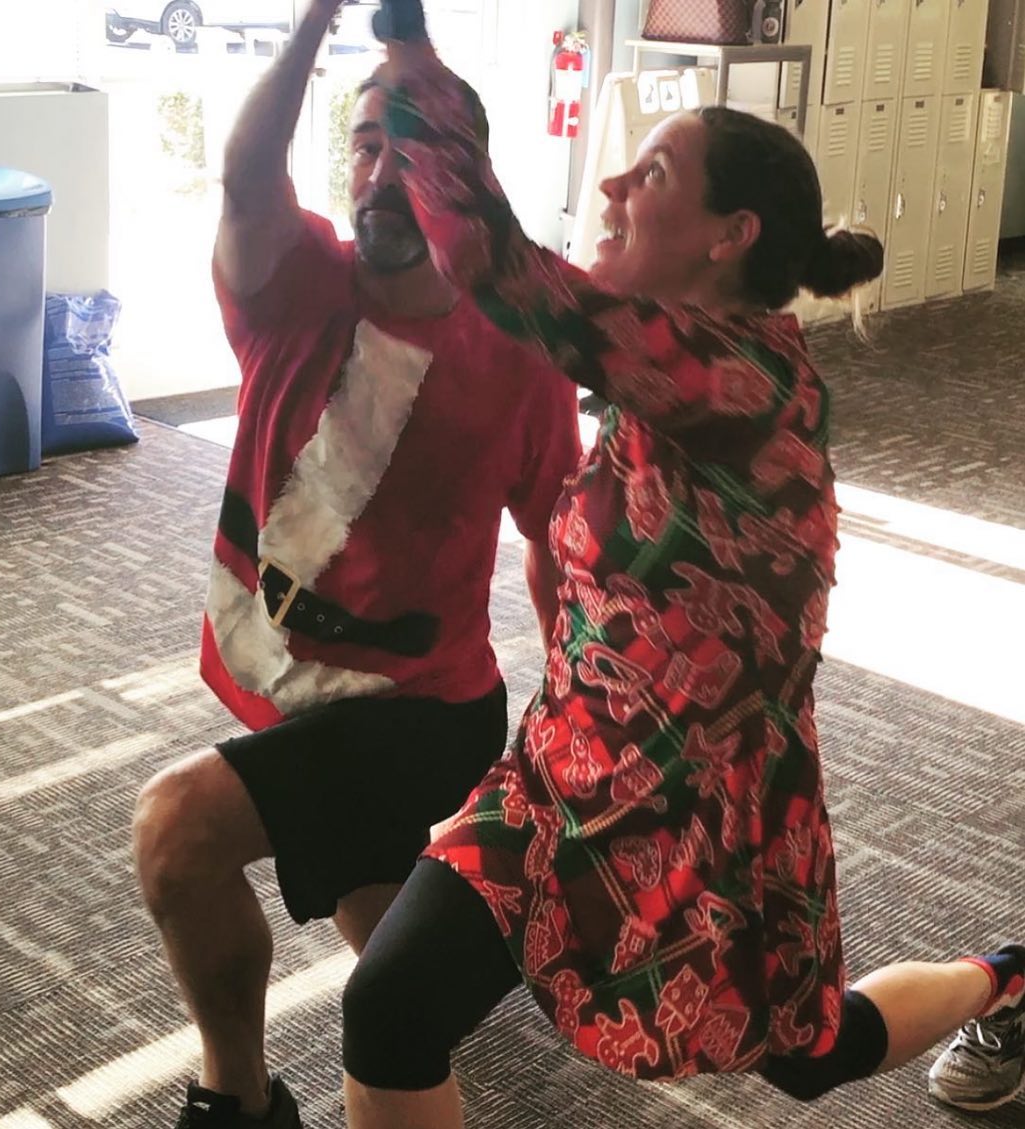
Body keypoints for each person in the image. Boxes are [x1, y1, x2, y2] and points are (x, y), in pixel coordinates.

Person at [336, 27, 1025, 1129]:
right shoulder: (660, 373)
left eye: (651, 174)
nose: (612, 185)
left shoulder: (739, 381)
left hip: (702, 812)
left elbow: (498, 269)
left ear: (727, 236)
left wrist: (413, 57)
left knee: (813, 1056)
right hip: (563, 775)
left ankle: (1007, 979)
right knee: (389, 1007)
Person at [130, 2, 583, 1125]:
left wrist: (573, 711)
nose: (381, 177)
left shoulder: (516, 348)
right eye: (366, 148)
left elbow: (556, 541)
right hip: (289, 670)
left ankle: (237, 1100)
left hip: (422, 709)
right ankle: (484, 954)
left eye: (412, 153)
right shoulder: (296, 281)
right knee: (375, 922)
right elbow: (246, 177)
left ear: (467, 182)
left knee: (177, 833)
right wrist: (314, 22)